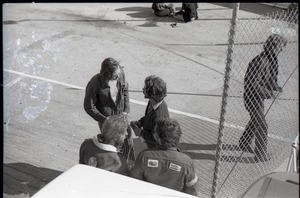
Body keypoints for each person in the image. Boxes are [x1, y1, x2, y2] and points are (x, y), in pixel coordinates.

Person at [239, 34, 288, 162]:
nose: (281, 51)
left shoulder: (272, 59)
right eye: (280, 48)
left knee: (256, 119)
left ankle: (243, 143)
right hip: (251, 97)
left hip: (258, 97)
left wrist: (275, 87)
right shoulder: (259, 61)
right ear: (273, 46)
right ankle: (261, 155)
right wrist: (270, 93)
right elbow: (252, 84)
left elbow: (270, 79)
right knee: (262, 124)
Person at [130, 118, 199, 196]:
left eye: (154, 132)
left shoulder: (144, 156)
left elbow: (135, 179)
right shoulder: (186, 162)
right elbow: (192, 190)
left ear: (157, 138)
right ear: (178, 137)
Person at [83, 57, 133, 162]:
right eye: (116, 75)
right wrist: (104, 120)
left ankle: (127, 162)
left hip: (121, 115)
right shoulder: (95, 83)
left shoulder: (120, 73)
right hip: (106, 120)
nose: (119, 76)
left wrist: (125, 110)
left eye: (119, 72)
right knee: (111, 145)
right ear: (107, 74)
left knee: (127, 140)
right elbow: (89, 106)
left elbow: (125, 91)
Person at [130, 75, 169, 148]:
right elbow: (148, 116)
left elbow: (156, 138)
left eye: (145, 88)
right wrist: (140, 122)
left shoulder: (159, 116)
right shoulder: (152, 102)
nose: (143, 89)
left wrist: (140, 132)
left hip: (154, 147)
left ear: (152, 94)